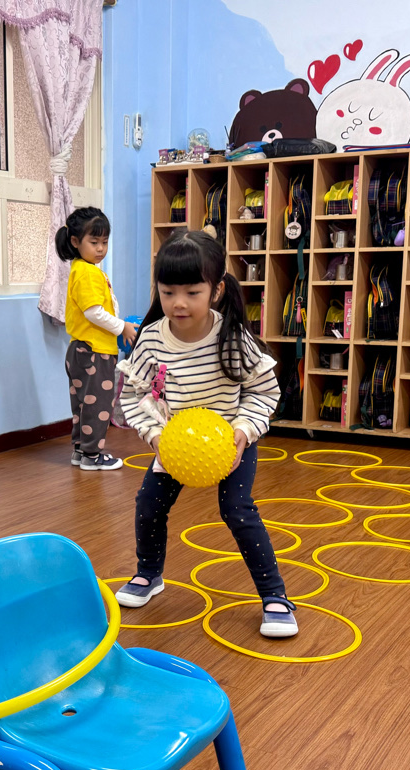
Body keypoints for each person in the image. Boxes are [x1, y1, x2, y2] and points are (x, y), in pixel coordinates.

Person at [114, 230, 298, 637]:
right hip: (176, 446)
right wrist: (156, 436)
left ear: (216, 291)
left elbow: (264, 391)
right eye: (167, 292)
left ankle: (275, 596)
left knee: (238, 510)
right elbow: (134, 394)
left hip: (230, 443)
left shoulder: (232, 336)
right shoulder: (151, 340)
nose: (178, 303)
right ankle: (149, 574)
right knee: (148, 505)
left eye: (192, 292)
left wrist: (244, 431)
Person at [57, 207, 137, 471]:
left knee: (83, 404)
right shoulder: (88, 272)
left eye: (104, 242)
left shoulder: (81, 268)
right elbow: (93, 312)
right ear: (75, 241)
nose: (101, 248)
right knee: (98, 405)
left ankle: (81, 451)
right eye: (94, 242)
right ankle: (92, 456)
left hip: (80, 350)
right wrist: (122, 327)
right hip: (94, 351)